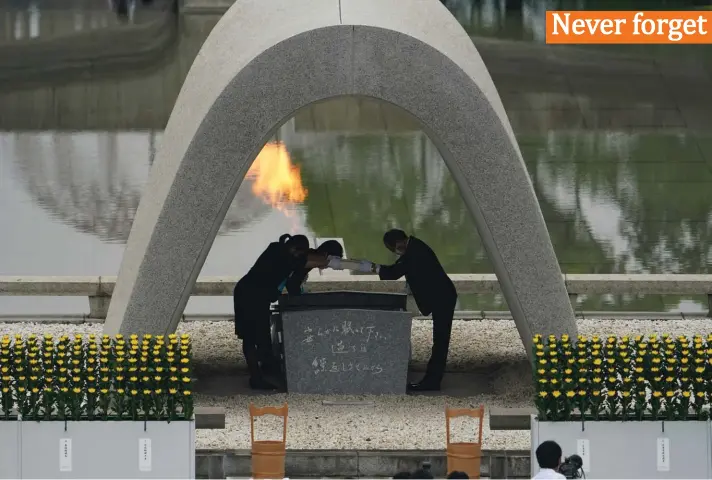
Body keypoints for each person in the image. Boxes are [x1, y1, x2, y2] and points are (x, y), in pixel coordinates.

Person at [234, 234, 328, 390]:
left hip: (255, 295)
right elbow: (317, 261)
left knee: (261, 334)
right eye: (300, 253)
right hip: (249, 295)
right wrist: (325, 258)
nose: (300, 256)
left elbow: (305, 257)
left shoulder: (278, 248)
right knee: (250, 337)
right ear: (294, 249)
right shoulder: (282, 256)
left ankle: (265, 367)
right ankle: (256, 378)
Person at [367, 229, 457, 392]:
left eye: (393, 248)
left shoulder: (414, 253)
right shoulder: (413, 247)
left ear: (399, 243)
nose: (394, 252)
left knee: (440, 341)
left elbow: (393, 273)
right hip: (442, 296)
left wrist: (371, 267)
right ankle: (432, 379)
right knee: (440, 340)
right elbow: (399, 268)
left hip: (443, 298)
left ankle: (432, 382)